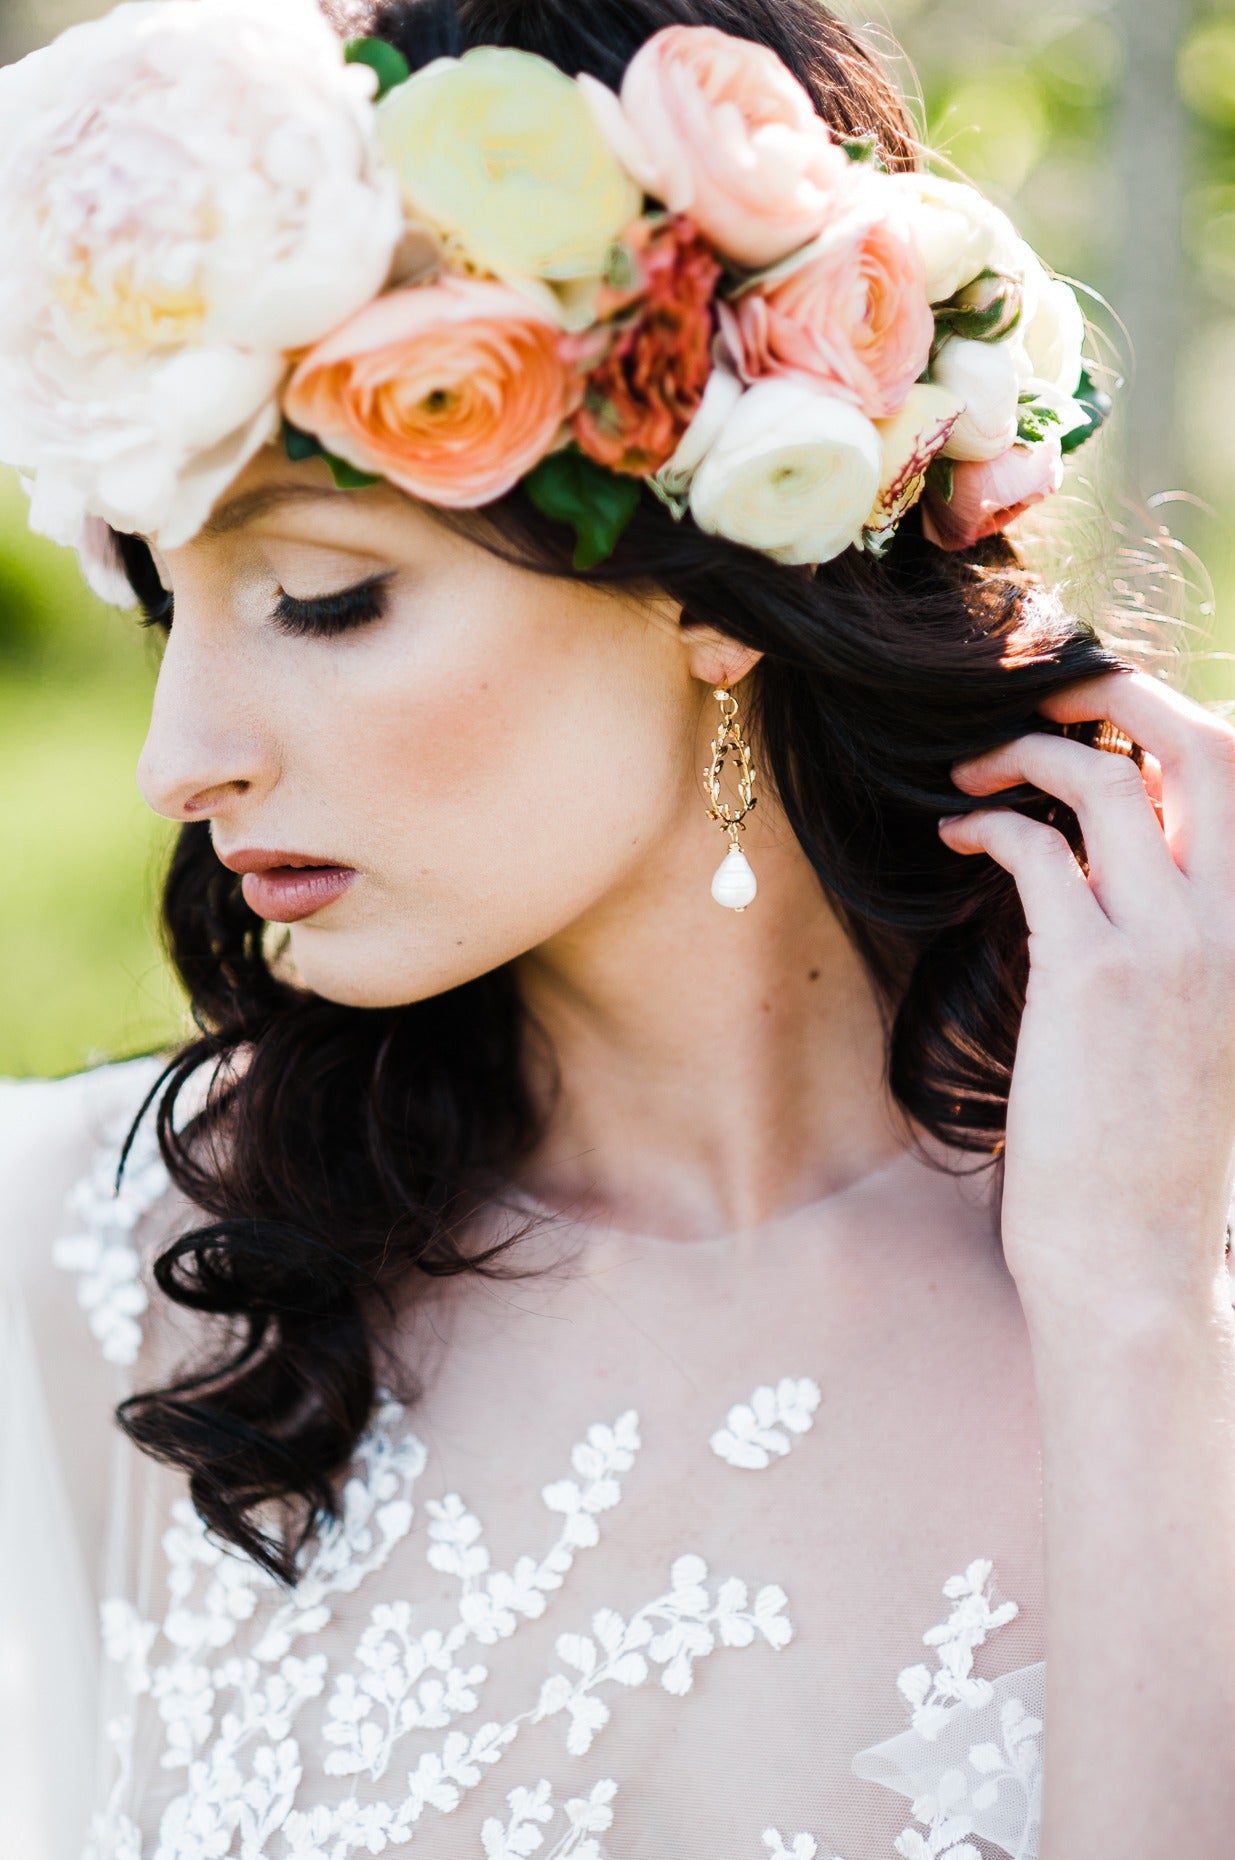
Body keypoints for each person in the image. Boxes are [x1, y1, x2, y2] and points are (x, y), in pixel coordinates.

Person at [1, 1, 1233, 1856]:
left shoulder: (1182, 1257)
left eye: (323, 597)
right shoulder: (93, 1266)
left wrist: (1140, 1314)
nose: (183, 756)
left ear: (725, 581)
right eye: (168, 601)